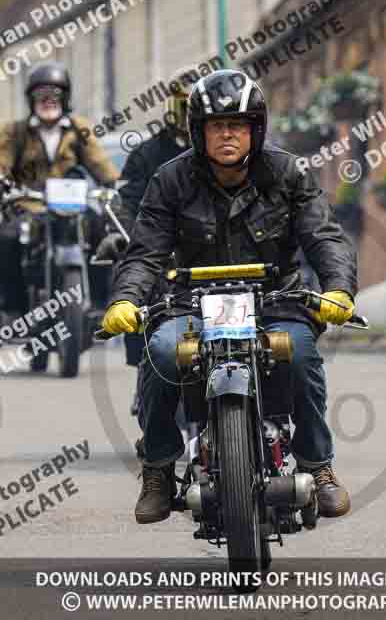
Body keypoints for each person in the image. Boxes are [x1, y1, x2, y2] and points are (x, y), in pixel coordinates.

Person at [102, 69, 358, 524]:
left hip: (276, 300)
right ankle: (159, 468)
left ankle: (318, 466)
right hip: (191, 303)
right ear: (197, 132)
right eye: (215, 125)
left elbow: (325, 237)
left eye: (236, 125)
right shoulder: (170, 179)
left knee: (298, 353)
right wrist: (125, 299)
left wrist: (338, 287)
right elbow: (145, 252)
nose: (226, 134)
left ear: (255, 129)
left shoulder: (287, 173)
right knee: (161, 352)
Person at [96, 83, 191, 417]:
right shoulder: (148, 154)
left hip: (215, 258)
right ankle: (145, 373)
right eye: (185, 106)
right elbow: (125, 201)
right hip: (161, 253)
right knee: (139, 288)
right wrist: (125, 234)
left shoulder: (234, 155)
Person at [0, 60, 119, 315]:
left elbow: (99, 163)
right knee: (7, 237)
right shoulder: (14, 132)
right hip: (29, 204)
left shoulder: (79, 129)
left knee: (101, 228)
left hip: (72, 206)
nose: (48, 101)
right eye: (40, 95)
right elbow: (3, 163)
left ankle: (99, 304)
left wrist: (111, 184)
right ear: (30, 99)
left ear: (65, 97)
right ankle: (14, 309)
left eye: (54, 95)